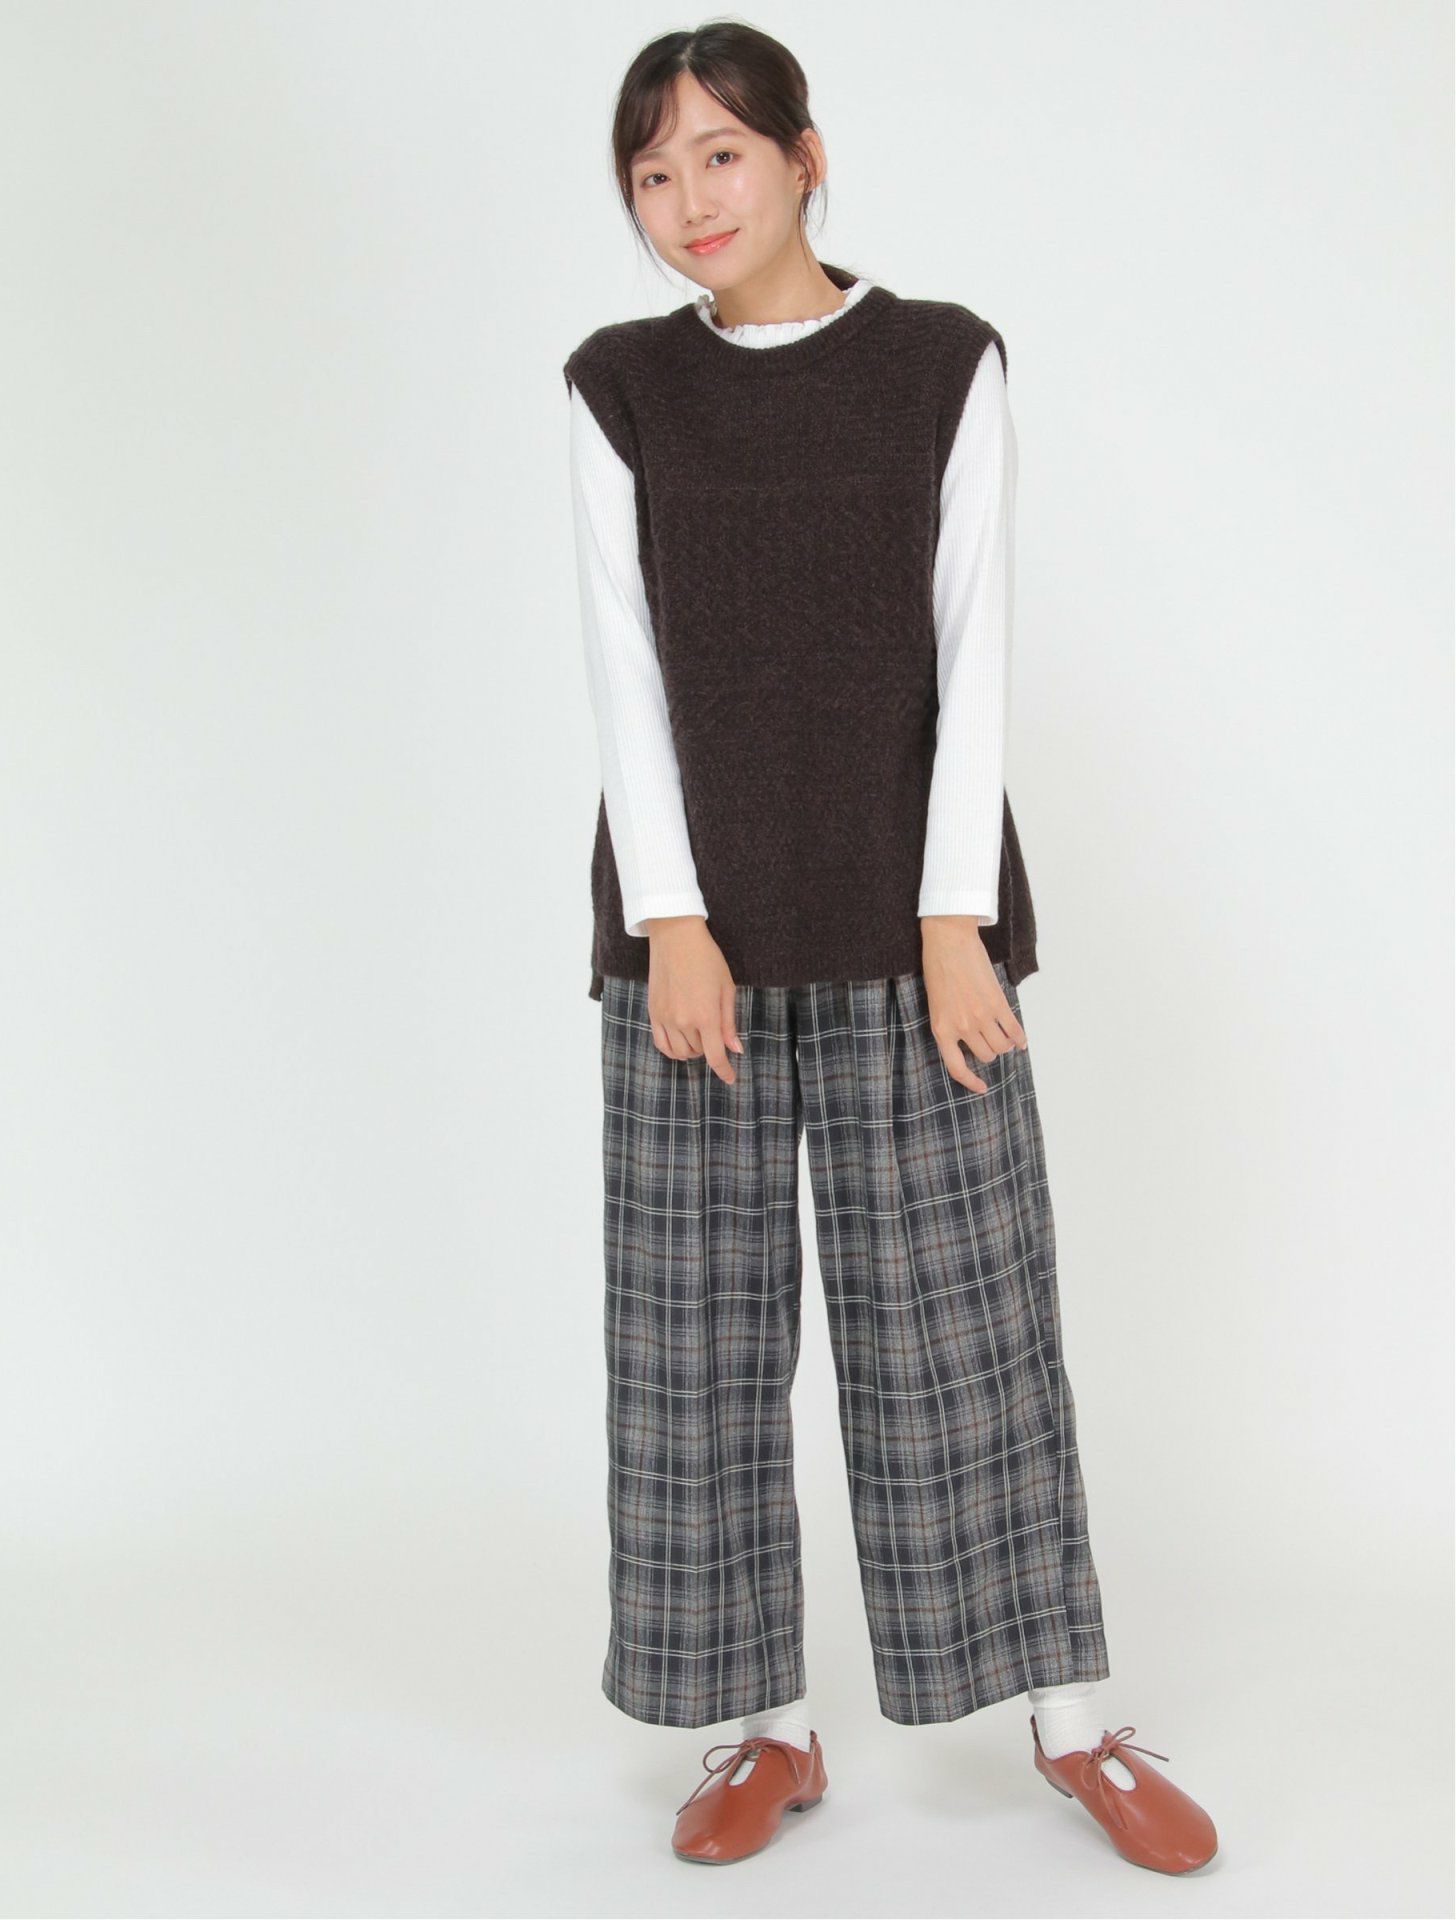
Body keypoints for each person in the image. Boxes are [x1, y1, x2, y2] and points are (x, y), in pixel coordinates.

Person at [562, 21, 1217, 1876]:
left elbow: (972, 647)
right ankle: (759, 1729)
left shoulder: (943, 363)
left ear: (806, 154)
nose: (690, 199)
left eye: (721, 155)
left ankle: (1070, 1723)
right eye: (652, 172)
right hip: (691, 942)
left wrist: (953, 924)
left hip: (912, 921)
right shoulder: (619, 387)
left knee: (967, 1338)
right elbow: (621, 666)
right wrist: (670, 923)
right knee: (696, 1350)